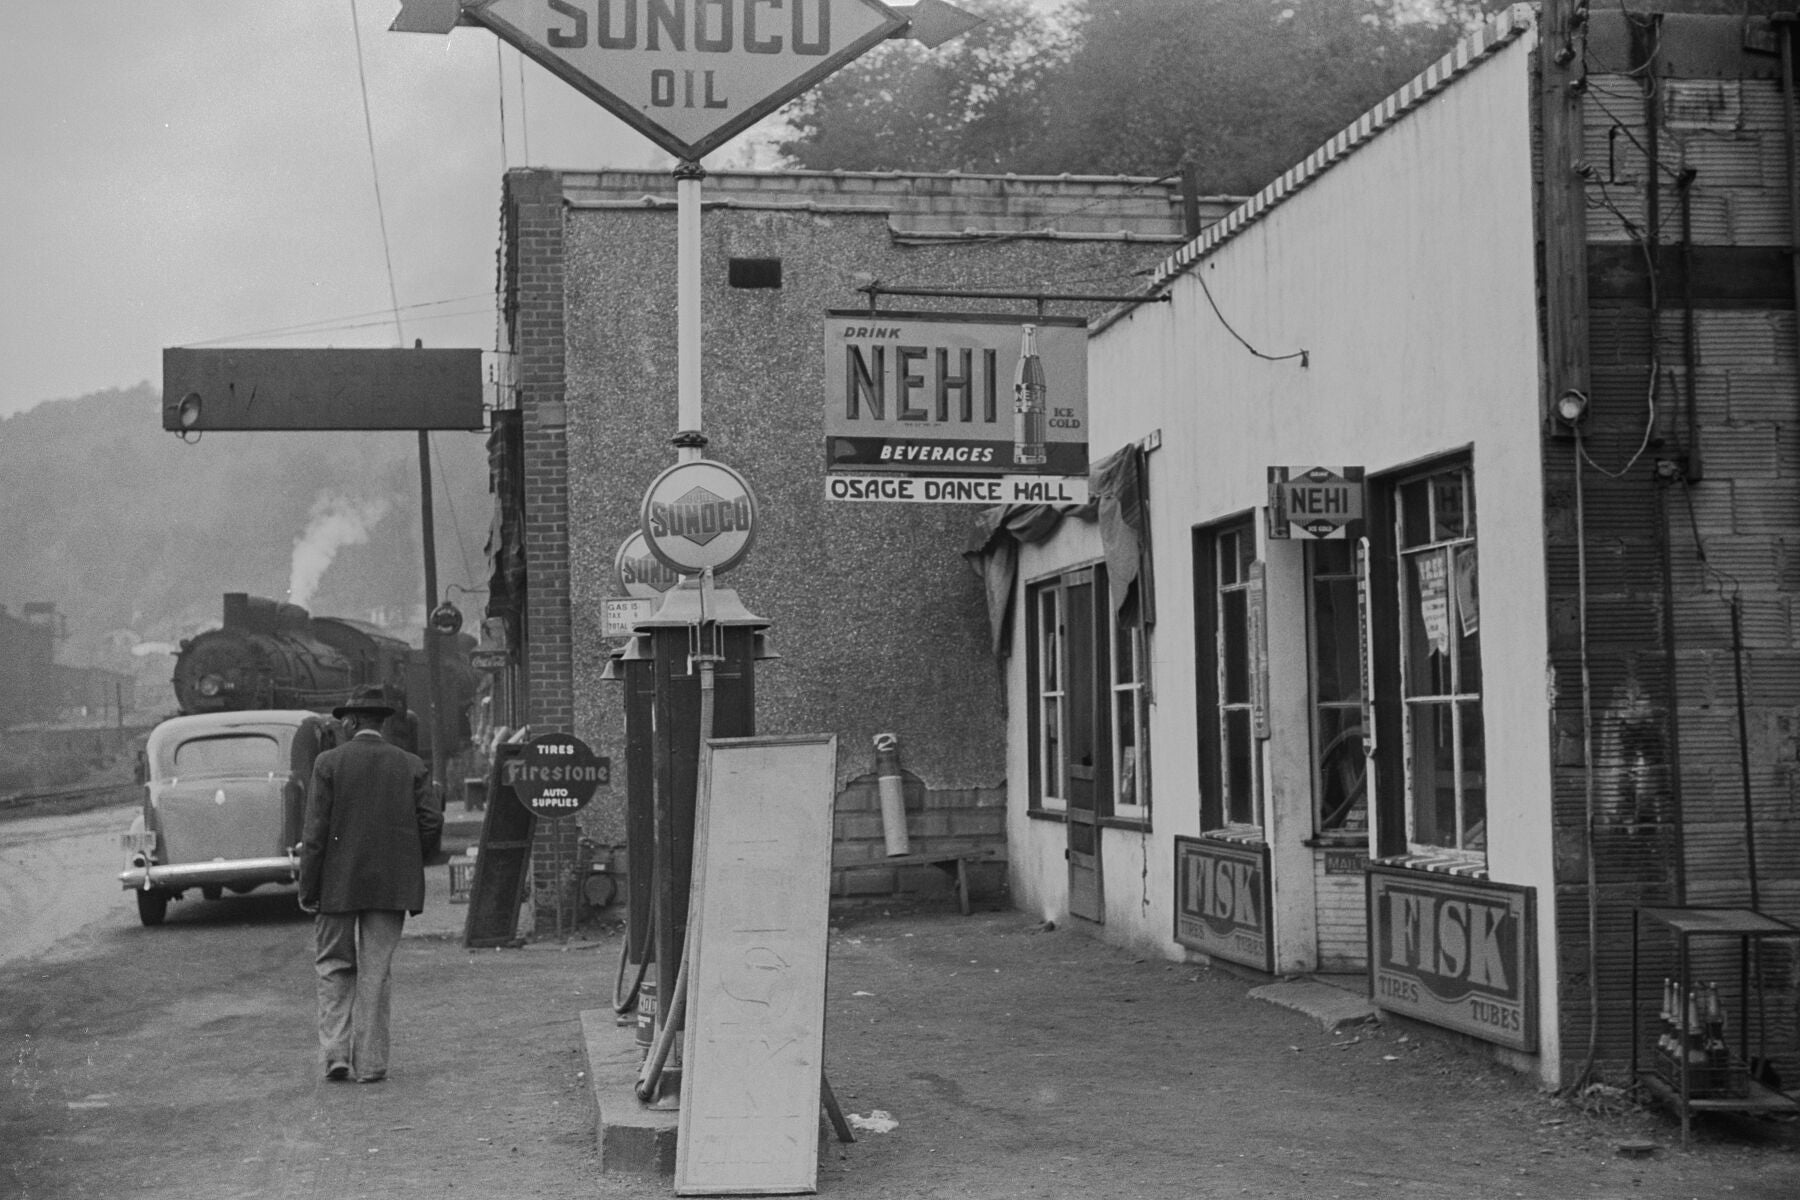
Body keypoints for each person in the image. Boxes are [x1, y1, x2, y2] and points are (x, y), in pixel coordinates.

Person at [299, 685, 441, 1083]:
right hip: (391, 887)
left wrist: (309, 889)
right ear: (381, 723)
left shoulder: (328, 763)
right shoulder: (409, 764)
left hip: (335, 887)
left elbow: (315, 835)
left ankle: (336, 1056)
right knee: (376, 972)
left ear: (351, 722)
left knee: (333, 967)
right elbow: (431, 822)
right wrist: (409, 858)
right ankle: (373, 1064)